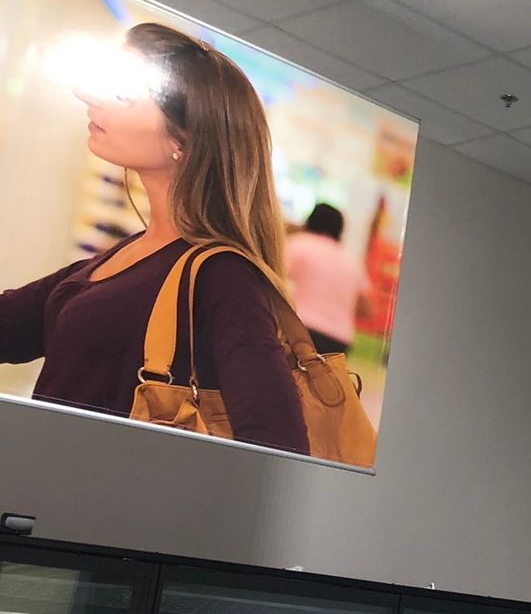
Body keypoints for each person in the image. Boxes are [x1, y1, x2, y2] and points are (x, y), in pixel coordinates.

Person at [0, 23, 309, 454]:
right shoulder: (133, 252)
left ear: (182, 139)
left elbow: (278, 446)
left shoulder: (224, 277)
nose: (89, 97)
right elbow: (11, 325)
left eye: (124, 93)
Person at [284, 203, 364, 356]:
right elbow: (366, 307)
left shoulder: (300, 244)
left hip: (301, 329)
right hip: (339, 340)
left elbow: (273, 274)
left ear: (310, 221)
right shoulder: (350, 260)